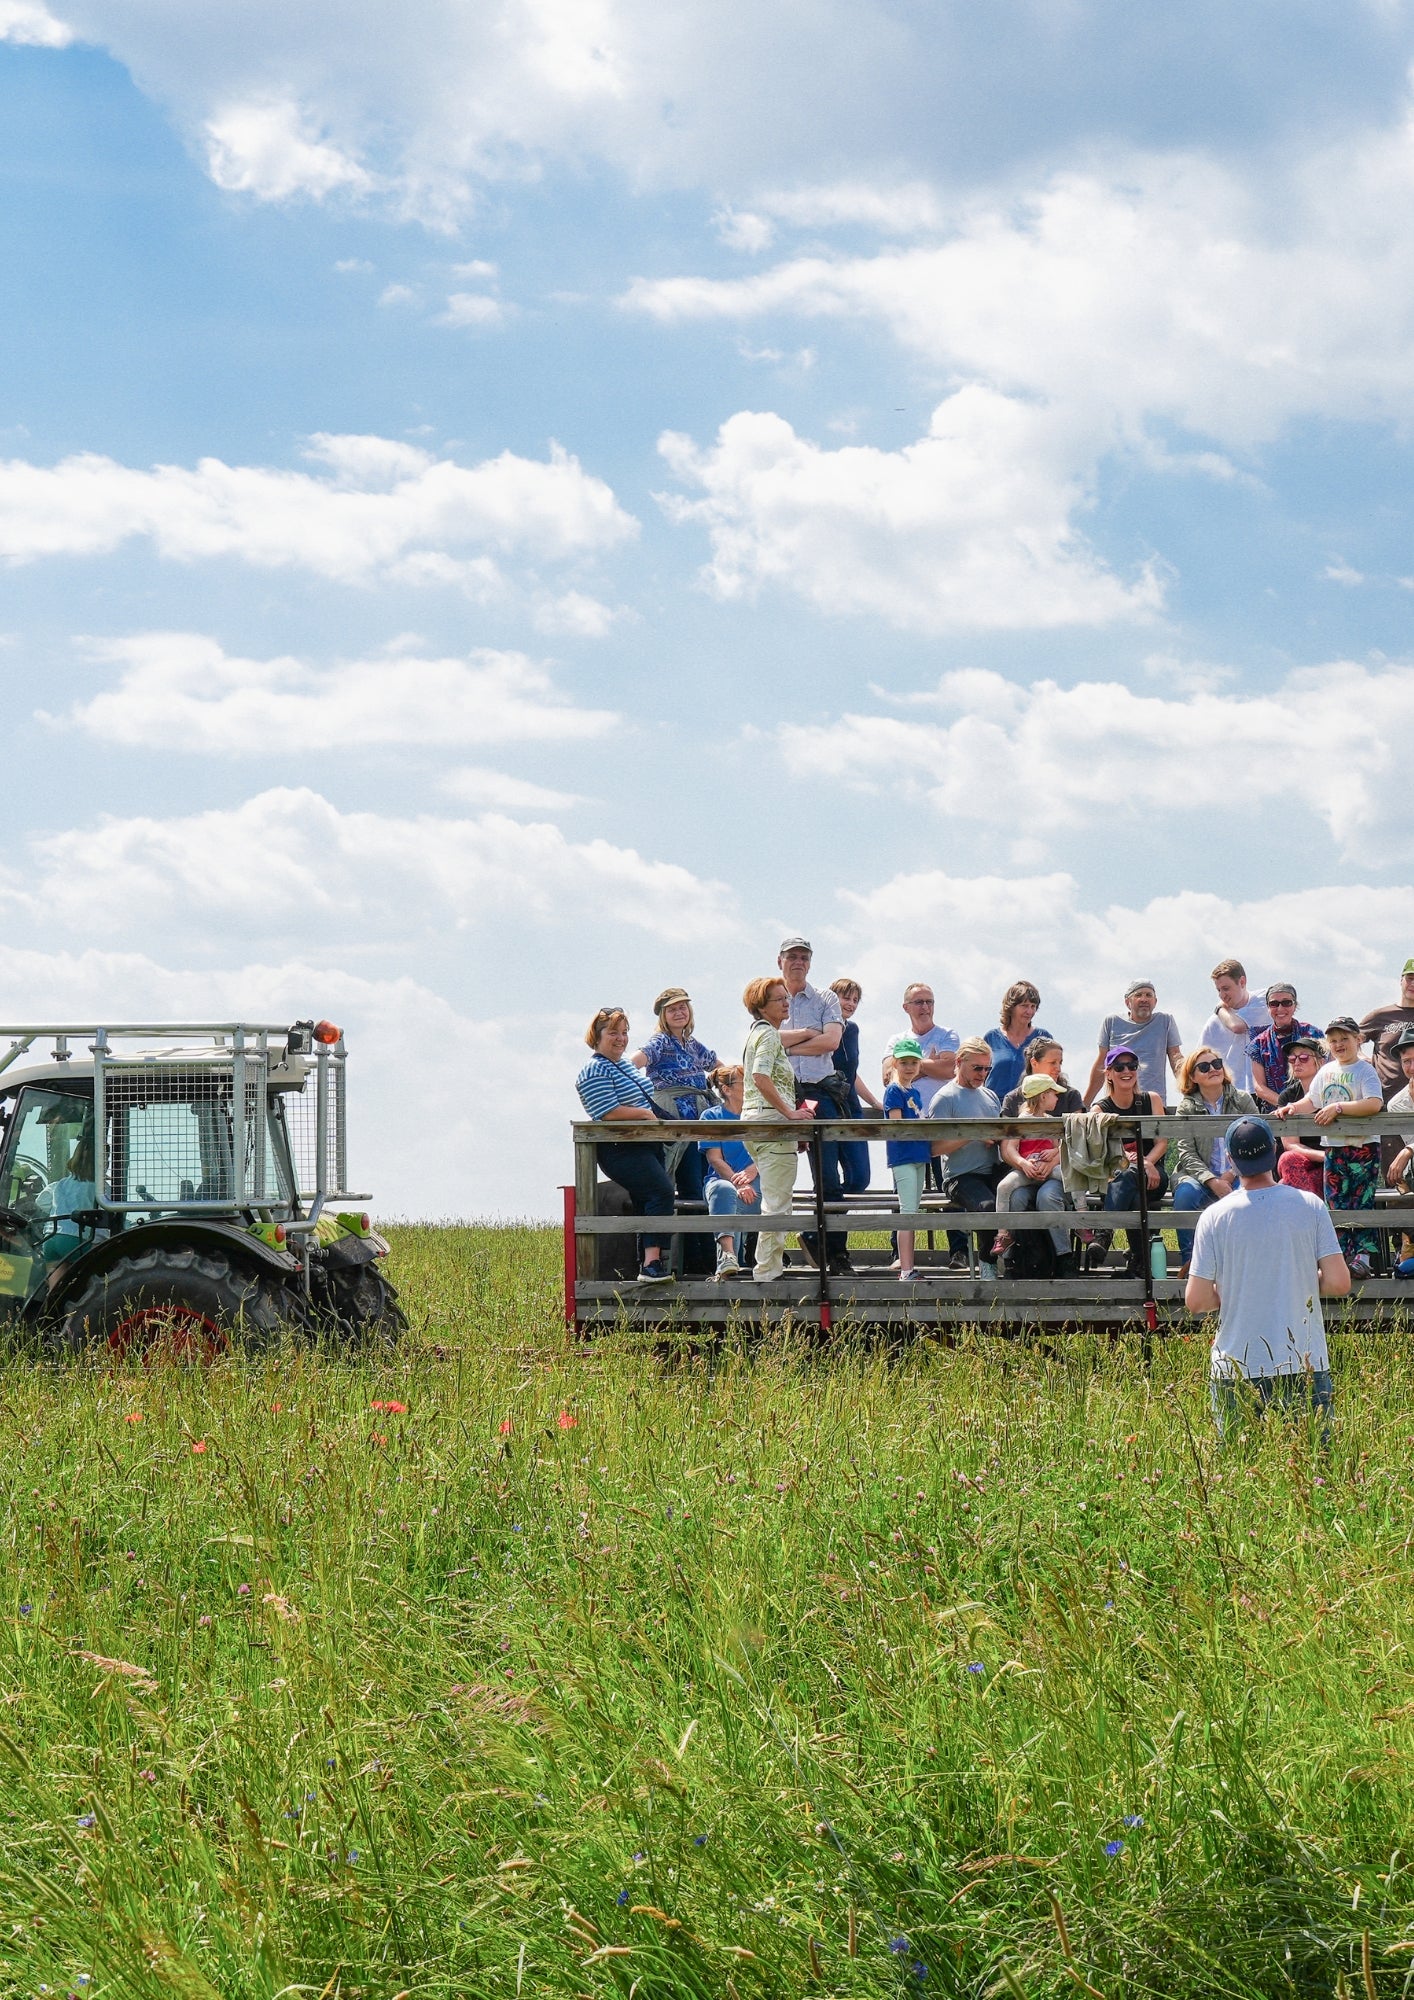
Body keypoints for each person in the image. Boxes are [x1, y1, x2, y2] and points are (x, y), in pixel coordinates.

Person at [1186, 1116, 1349, 1440]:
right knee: (1315, 1473)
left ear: (1231, 1160)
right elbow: (1339, 1283)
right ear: (1274, 1151)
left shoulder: (1214, 1217)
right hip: (1304, 1362)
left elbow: (1197, 1300)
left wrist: (1233, 1288)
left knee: (1241, 1475)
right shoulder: (1310, 1205)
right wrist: (1299, 1277)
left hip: (1237, 1365)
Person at [1275, 1015, 1383, 1277]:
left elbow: (1374, 1103)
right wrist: (1292, 1108)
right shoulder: (1326, 1072)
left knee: (1361, 1202)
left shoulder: (1364, 1070)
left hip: (1363, 1148)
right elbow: (1311, 1102)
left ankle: (1363, 1256)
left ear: (1358, 1040)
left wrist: (1338, 1108)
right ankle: (1341, 1256)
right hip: (1334, 1149)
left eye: (1344, 1038)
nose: (1339, 1044)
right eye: (1333, 1040)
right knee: (1335, 1203)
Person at [576, 1008, 676, 1285]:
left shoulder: (625, 1065)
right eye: (613, 1033)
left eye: (624, 1032)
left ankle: (646, 1264)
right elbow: (606, 1111)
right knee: (661, 1192)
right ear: (597, 1036)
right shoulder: (593, 1069)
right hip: (621, 1147)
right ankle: (652, 1263)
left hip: (645, 1145)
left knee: (647, 1199)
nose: (621, 1039)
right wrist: (645, 1115)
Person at [776, 937, 850, 1273]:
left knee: (829, 1178)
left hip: (820, 1093)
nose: (798, 962)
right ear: (780, 960)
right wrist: (810, 1034)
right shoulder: (770, 997)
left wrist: (788, 1046)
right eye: (792, 956)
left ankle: (834, 1251)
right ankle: (767, 1251)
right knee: (773, 1173)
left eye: (804, 957)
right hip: (780, 1094)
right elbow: (764, 1040)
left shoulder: (825, 997)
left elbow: (832, 1041)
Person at [741, 975, 813, 1284]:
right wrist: (790, 1114)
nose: (786, 1002)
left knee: (773, 1199)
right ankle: (768, 1273)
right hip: (771, 1124)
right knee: (778, 1203)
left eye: (787, 997)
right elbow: (760, 1076)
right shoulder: (769, 1035)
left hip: (755, 1123)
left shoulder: (757, 1034)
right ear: (761, 1006)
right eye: (779, 999)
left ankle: (767, 1269)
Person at [1170, 1047, 1258, 1274]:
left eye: (1217, 1064)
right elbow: (1186, 1152)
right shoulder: (1186, 1107)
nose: (1213, 1070)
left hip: (1240, 1172)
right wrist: (1213, 1181)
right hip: (1199, 1175)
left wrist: (1230, 1174)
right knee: (1185, 1197)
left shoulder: (1242, 1099)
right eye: (1204, 1067)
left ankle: (1244, 1265)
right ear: (1192, 1077)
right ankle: (1191, 1264)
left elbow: (1257, 1139)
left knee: (1252, 1199)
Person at [633, 986, 718, 1202]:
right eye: (672, 1010)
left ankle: (704, 1235)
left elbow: (719, 1068)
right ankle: (691, 1235)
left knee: (706, 1178)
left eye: (683, 1007)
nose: (679, 1013)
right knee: (689, 1181)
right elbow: (635, 1061)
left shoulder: (692, 1044)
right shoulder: (660, 1041)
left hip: (700, 1120)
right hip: (676, 1121)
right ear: (663, 1015)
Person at [927, 1037, 1002, 1274]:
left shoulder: (990, 1096)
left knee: (1023, 1201)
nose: (983, 1074)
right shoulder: (944, 1098)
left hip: (993, 1169)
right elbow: (934, 1148)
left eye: (987, 1068)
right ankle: (987, 1267)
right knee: (989, 1207)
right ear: (959, 1062)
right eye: (977, 1068)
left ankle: (1020, 1266)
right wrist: (972, 1135)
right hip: (960, 1176)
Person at [1090, 1046, 1168, 1274]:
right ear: (1109, 1073)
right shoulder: (1099, 1109)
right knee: (1134, 1197)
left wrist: (1147, 1163)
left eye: (1132, 1066)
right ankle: (1139, 1262)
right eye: (1119, 1067)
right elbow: (1097, 1152)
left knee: (1133, 1177)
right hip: (1115, 1178)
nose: (1127, 1071)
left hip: (1153, 1175)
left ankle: (1104, 1233)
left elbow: (1162, 1143)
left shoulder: (1150, 1100)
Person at [995, 1073, 1075, 1276]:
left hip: (1049, 1169)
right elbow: (1011, 1149)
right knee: (1014, 1195)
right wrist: (1023, 1163)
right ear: (1042, 1096)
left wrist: (1052, 1159)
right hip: (1028, 1170)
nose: (1058, 1099)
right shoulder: (1021, 1122)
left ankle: (1065, 1255)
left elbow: (1062, 1148)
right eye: (1054, 1094)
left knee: (1054, 1192)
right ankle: (1010, 1246)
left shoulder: (1052, 1122)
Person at [698, 1065, 759, 1280]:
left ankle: (758, 1258)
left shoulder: (758, 1114)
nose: (751, 1087)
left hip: (756, 1179)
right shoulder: (710, 1116)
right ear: (726, 1089)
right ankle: (728, 1256)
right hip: (723, 1179)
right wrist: (738, 1183)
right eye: (745, 1083)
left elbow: (768, 1151)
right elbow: (714, 1158)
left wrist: (753, 1170)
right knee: (724, 1191)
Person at [1085, 983, 1182, 1106]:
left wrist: (1191, 1092)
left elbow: (1176, 1058)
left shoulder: (1165, 1021)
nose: (1144, 999)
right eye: (1138, 995)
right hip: (1117, 1103)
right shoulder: (1112, 1022)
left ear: (1155, 1001)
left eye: (1148, 995)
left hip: (1153, 1102)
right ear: (1127, 1002)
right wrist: (1085, 1103)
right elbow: (1101, 1063)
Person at [883, 1037, 932, 1282]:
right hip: (903, 1156)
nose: (910, 1067)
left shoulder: (915, 1091)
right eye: (904, 1062)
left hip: (919, 1154)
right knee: (907, 1211)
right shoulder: (894, 1090)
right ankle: (905, 1270)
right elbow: (897, 1124)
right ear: (895, 1063)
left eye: (914, 1062)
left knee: (913, 1211)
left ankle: (909, 1266)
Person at [829, 978, 883, 1196]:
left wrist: (874, 1102)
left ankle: (821, 1225)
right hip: (826, 1106)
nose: (851, 1004)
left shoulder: (852, 1030)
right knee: (827, 1178)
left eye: (855, 1000)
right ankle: (818, 1230)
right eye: (846, 998)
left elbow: (851, 1072)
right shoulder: (819, 1028)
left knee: (860, 1177)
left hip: (851, 1107)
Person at [1198, 960, 1269, 1095]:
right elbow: (1199, 1060)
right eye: (1218, 990)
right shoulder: (1213, 1022)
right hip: (1231, 1093)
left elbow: (1237, 1026)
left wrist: (1219, 1008)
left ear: (1242, 982)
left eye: (1226, 988)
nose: (1222, 995)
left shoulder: (1264, 1000)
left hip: (1265, 1089)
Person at [1247, 984, 1323, 1105]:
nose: (1280, 1008)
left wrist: (1304, 1106)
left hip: (1316, 1106)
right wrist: (1286, 1106)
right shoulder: (1258, 1043)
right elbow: (1259, 1087)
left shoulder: (1313, 1034)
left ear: (1295, 1006)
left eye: (1286, 1003)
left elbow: (1327, 1071)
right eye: (1274, 1004)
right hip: (1276, 1111)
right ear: (1268, 1007)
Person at [1274, 1037, 1328, 1197]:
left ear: (1320, 1061)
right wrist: (1325, 1157)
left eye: (1304, 1057)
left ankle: (1307, 1215)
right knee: (1287, 1159)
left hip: (1335, 1160)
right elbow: (1291, 1145)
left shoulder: (1334, 1090)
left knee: (1285, 1186)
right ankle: (1313, 1214)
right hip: (1307, 1162)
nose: (1297, 1062)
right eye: (1292, 1058)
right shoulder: (1287, 1096)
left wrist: (1332, 1157)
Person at [983, 981, 1053, 1104]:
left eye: (1033, 1006)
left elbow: (1052, 1075)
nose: (1029, 1011)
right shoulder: (991, 1038)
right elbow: (980, 1075)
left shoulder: (1043, 1038)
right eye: (1024, 1006)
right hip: (993, 1109)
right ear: (1011, 1007)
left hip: (1029, 1110)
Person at [1359, 958, 1414, 1102]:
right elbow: (1350, 1040)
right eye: (1410, 979)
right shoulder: (1380, 1016)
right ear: (1401, 981)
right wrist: (1361, 1059)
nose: (1413, 984)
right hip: (1385, 1098)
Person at [896, 983, 959, 1097]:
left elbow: (950, 1070)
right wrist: (932, 1064)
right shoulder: (897, 1040)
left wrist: (909, 1067)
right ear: (906, 1007)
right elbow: (889, 1078)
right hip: (906, 1112)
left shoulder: (947, 1035)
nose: (925, 1006)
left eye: (929, 1002)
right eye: (919, 1002)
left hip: (940, 1112)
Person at [997, 1039, 1084, 1117]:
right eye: (1053, 1062)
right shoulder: (1012, 1099)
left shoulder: (1071, 1096)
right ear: (1034, 1063)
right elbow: (1005, 1133)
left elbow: (1077, 1131)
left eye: (1060, 1063)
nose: (1058, 1069)